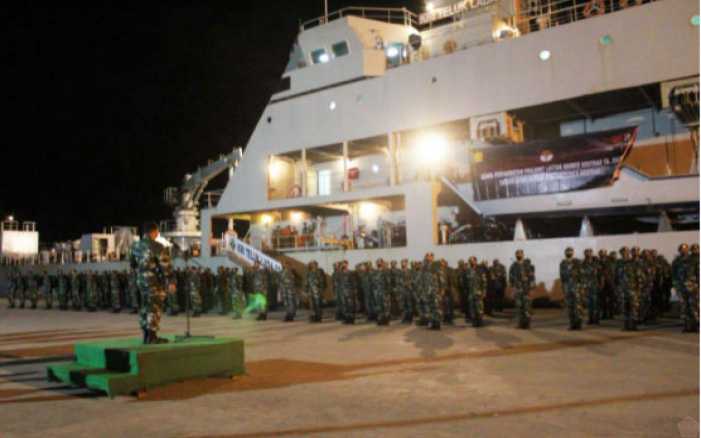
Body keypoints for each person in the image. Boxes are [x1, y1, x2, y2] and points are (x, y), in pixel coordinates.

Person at [129, 222, 176, 344]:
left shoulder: (135, 246)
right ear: (154, 232)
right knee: (154, 307)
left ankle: (146, 335)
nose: (157, 235)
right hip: (153, 281)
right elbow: (166, 266)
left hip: (141, 280)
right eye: (157, 233)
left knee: (145, 306)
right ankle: (152, 336)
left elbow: (132, 264)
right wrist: (171, 281)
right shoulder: (157, 246)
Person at [560, 247, 583, 330]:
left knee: (578, 306)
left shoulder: (577, 262)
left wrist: (582, 287)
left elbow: (581, 275)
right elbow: (562, 276)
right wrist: (563, 287)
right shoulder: (563, 263)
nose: (568, 253)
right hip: (567, 287)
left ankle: (579, 324)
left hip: (576, 287)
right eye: (567, 251)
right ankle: (572, 324)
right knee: (569, 307)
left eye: (570, 251)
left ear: (573, 252)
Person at [510, 250, 531, 329]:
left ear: (523, 254)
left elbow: (531, 277)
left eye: (520, 254)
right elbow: (511, 278)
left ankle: (527, 324)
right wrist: (513, 288)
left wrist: (528, 281)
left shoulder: (527, 265)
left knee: (527, 307)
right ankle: (520, 324)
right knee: (519, 307)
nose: (518, 255)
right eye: (517, 254)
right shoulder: (513, 266)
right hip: (517, 289)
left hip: (526, 289)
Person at [581, 249, 600, 325]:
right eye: (586, 253)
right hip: (587, 286)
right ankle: (590, 319)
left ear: (592, 254)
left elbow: (600, 274)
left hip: (595, 285)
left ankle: (596, 319)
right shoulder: (583, 264)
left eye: (589, 253)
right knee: (589, 304)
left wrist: (601, 283)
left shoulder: (596, 263)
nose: (588, 254)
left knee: (595, 303)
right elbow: (581, 275)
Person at [468, 256, 487, 327]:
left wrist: (484, 292)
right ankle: (474, 322)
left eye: (472, 261)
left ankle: (480, 322)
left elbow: (484, 282)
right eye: (470, 261)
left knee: (479, 308)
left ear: (476, 261)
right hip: (470, 293)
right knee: (472, 308)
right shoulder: (468, 270)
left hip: (478, 292)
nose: (471, 262)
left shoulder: (480, 270)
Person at [372, 259, 391, 326]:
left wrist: (388, 292)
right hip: (377, 292)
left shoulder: (385, 272)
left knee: (385, 306)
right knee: (379, 306)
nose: (379, 264)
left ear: (382, 263)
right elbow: (373, 283)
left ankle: (386, 320)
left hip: (384, 292)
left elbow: (388, 283)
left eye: (380, 262)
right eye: (377, 262)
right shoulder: (375, 272)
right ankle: (380, 319)